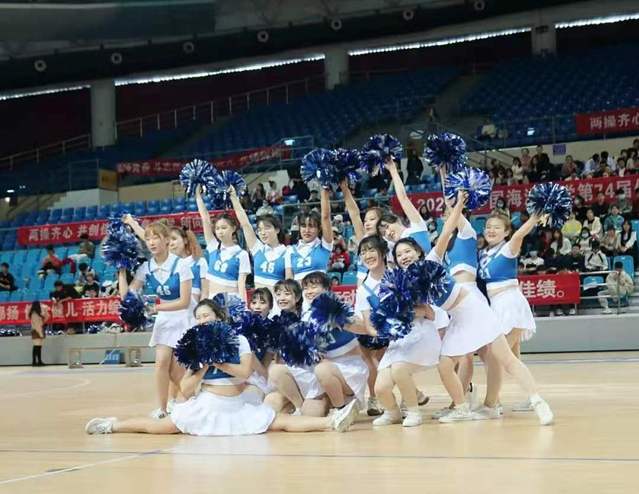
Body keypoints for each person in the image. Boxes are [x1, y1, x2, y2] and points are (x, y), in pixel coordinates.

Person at [85, 299, 359, 436]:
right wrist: (203, 366)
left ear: (219, 317)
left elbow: (244, 373)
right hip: (207, 404)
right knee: (160, 428)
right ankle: (112, 425)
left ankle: (332, 421)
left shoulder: (239, 340)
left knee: (281, 423)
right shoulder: (194, 346)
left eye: (207, 315)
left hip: (237, 403)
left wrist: (218, 361)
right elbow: (187, 389)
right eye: (198, 317)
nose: (203, 320)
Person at [397, 195, 554, 425]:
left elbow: (448, 228)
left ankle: (538, 402)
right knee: (446, 364)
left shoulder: (433, 258)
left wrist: (457, 202)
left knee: (505, 359)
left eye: (407, 252)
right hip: (458, 317)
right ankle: (462, 408)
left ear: (419, 252)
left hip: (474, 308)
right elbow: (427, 311)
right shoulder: (410, 282)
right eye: (399, 255)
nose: (404, 257)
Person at [354, 235, 446, 427]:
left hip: (421, 334)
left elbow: (428, 312)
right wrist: (386, 331)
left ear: (383, 253)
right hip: (397, 341)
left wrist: (402, 314)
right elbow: (370, 327)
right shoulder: (363, 290)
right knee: (381, 388)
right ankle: (393, 413)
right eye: (363, 252)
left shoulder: (403, 275)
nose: (367, 255)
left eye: (371, 250)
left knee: (399, 369)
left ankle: (413, 412)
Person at [118, 221, 193, 419]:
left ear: (166, 240)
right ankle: (162, 408)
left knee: (177, 371)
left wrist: (155, 308)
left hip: (184, 318)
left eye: (156, 238)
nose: (151, 242)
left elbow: (185, 301)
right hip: (164, 319)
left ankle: (191, 401)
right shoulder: (146, 268)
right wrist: (121, 271)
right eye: (148, 238)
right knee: (160, 364)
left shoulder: (181, 265)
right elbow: (127, 296)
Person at [302, 272, 369, 415]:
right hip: (323, 371)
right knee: (310, 413)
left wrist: (343, 321)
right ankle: (332, 400)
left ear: (326, 289)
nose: (309, 291)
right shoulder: (305, 316)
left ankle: (342, 409)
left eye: (314, 287)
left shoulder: (338, 307)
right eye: (306, 288)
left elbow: (365, 329)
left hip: (349, 368)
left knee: (322, 369)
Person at [229, 187, 286, 299]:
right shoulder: (257, 249)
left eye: (267, 228)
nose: (263, 233)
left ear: (277, 229)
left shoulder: (287, 252)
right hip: (259, 304)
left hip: (279, 304)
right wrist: (233, 197)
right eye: (259, 230)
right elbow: (245, 223)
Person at [196, 186, 251, 301]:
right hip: (211, 302)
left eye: (224, 228)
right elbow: (205, 219)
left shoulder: (242, 254)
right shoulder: (213, 247)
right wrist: (198, 197)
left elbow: (241, 284)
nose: (220, 231)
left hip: (231, 302)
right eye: (217, 228)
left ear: (233, 228)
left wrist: (243, 307)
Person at [378, 158, 431, 254]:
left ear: (397, 220)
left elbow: (403, 198)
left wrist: (393, 170)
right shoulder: (393, 249)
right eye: (384, 233)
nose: (388, 233)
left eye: (387, 226)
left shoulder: (416, 227)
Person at [285, 188, 333, 281]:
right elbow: (289, 280)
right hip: (299, 290)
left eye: (311, 226)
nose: (307, 230)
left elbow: (326, 217)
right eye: (303, 226)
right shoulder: (290, 250)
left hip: (320, 290)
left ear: (319, 229)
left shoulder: (324, 246)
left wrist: (324, 189)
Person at [29, 301, 49, 366]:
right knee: (37, 346)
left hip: (37, 331)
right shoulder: (34, 314)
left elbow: (45, 319)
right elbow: (37, 325)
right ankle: (35, 361)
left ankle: (37, 361)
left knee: (38, 347)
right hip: (36, 331)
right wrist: (40, 334)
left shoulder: (37, 314)